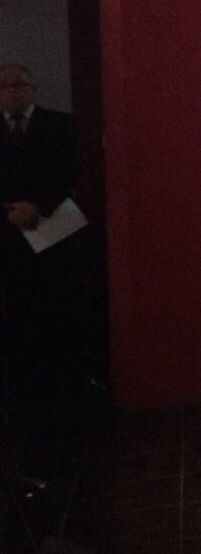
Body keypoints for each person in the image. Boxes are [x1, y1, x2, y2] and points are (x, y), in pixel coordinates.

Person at [0, 63, 89, 414]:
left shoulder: (59, 124)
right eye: (4, 86)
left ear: (32, 88)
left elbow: (70, 170)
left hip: (53, 230)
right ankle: (22, 388)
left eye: (18, 85)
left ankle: (63, 384)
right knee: (16, 310)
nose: (11, 92)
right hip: (9, 232)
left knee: (57, 307)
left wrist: (36, 204)